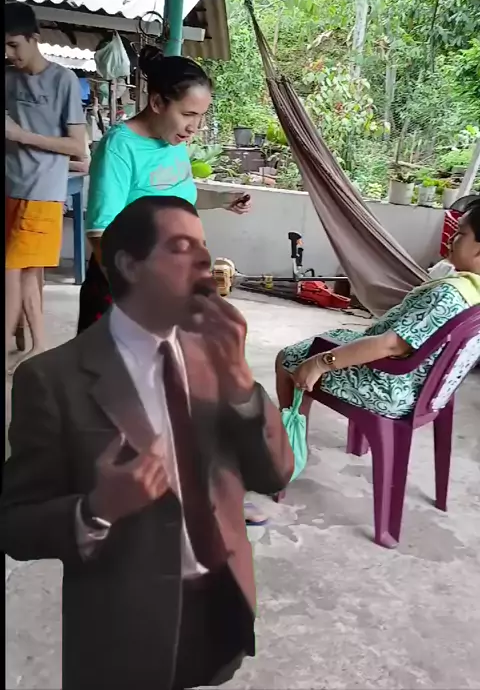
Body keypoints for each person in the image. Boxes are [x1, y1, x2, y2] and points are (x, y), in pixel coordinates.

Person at [0, 195, 294, 690]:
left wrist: (242, 383)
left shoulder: (217, 355)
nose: (204, 260)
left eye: (204, 246)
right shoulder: (52, 380)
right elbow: (14, 526)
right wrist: (96, 509)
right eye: (181, 247)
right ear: (129, 265)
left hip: (224, 600)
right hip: (126, 629)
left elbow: (275, 473)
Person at [77, 46, 250, 334]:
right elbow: (100, 232)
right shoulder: (120, 147)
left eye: (200, 116)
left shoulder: (173, 141)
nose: (194, 127)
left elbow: (177, 195)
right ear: (157, 102)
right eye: (188, 114)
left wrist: (222, 199)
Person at [276, 200, 480, 423]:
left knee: (289, 358)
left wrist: (320, 363)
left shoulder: (448, 294)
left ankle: (287, 440)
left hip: (391, 384)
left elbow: (391, 345)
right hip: (428, 385)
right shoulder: (473, 291)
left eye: (461, 233)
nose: (451, 239)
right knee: (327, 342)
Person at [5, 2, 87, 371]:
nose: (9, 54)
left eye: (14, 45)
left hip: (41, 193)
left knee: (11, 270)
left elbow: (77, 146)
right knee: (26, 273)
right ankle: (38, 346)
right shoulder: (8, 79)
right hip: (11, 187)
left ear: (34, 38)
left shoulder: (63, 80)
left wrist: (22, 136)